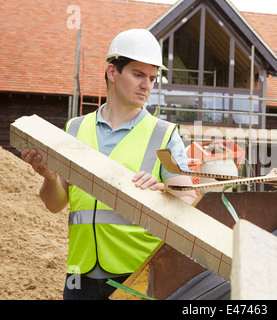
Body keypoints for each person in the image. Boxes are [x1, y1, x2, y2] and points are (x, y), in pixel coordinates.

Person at [21, 29, 197, 300]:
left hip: (137, 272)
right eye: (138, 74)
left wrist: (163, 189)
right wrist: (49, 177)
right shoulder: (76, 128)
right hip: (80, 273)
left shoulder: (163, 135)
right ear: (113, 72)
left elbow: (187, 198)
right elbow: (55, 204)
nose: (147, 85)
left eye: (152, 78)